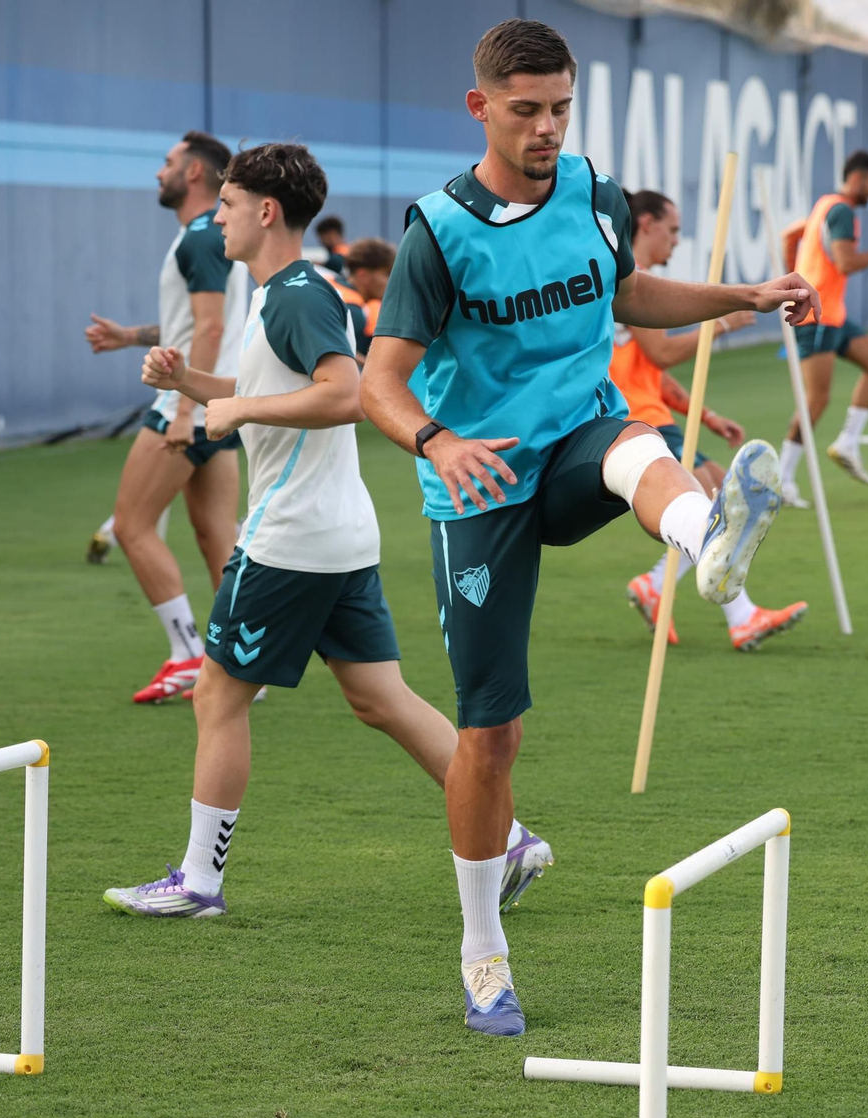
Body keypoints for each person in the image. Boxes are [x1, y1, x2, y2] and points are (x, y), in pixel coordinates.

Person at [360, 19, 818, 1037]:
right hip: (477, 488)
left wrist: (737, 292)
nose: (547, 129)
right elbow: (377, 383)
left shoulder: (593, 192)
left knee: (636, 445)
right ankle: (484, 953)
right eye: (526, 110)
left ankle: (710, 546)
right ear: (480, 108)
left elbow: (629, 294)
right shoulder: (439, 230)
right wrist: (436, 443)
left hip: (574, 441)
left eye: (560, 108)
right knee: (491, 733)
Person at [104, 143, 554, 921]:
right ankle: (508, 836)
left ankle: (199, 882)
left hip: (290, 541)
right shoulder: (280, 290)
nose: (218, 216)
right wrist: (192, 384)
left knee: (216, 694)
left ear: (267, 211)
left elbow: (345, 394)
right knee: (380, 697)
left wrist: (238, 410)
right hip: (341, 536)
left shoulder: (298, 294)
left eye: (230, 204)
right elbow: (264, 388)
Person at [81, 132, 253, 704]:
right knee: (216, 538)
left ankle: (187, 655)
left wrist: (182, 412)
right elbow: (191, 325)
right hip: (219, 409)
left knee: (131, 526)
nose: (160, 173)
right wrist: (129, 337)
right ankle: (243, 663)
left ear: (196, 173)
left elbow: (210, 328)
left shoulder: (202, 236)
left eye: (168, 163)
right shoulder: (211, 236)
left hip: (188, 411)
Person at [616, 189, 809, 649]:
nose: (678, 242)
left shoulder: (634, 282)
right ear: (645, 223)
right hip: (634, 416)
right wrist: (720, 322)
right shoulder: (630, 281)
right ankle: (736, 616)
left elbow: (651, 371)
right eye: (674, 230)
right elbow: (659, 354)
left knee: (718, 493)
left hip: (648, 406)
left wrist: (706, 415)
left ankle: (659, 586)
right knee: (716, 502)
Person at [777, 150, 868, 501]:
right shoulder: (842, 212)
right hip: (817, 316)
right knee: (816, 399)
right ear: (857, 178)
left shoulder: (825, 205)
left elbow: (788, 237)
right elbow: (846, 262)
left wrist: (795, 279)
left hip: (831, 313)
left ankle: (848, 442)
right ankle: (781, 478)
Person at [344, 237, 396, 338]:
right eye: (387, 274)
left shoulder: (337, 293)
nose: (392, 281)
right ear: (363, 276)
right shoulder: (352, 312)